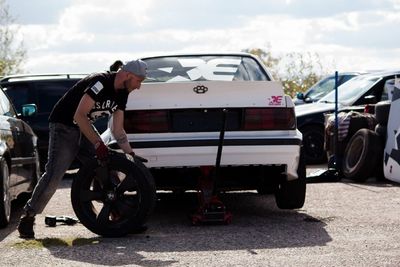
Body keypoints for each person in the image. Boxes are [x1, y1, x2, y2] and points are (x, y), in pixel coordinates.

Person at [17, 59, 148, 239]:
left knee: (107, 167)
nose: (139, 86)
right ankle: (28, 217)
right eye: (139, 81)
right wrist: (97, 143)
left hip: (83, 126)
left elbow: (118, 130)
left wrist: (131, 156)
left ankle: (119, 218)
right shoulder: (100, 82)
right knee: (54, 175)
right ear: (128, 75)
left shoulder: (123, 93)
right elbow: (79, 115)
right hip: (64, 126)